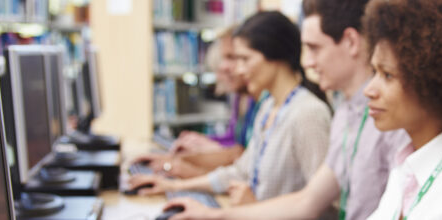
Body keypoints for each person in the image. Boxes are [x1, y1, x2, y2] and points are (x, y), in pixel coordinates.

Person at [160, 0, 409, 219]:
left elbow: (321, 209)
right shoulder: (346, 114)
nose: (308, 62)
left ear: (352, 42)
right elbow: (308, 201)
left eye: (314, 48)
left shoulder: (389, 119)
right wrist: (215, 214)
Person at [128, 12, 332, 208]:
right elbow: (240, 172)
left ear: (275, 56)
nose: (239, 70)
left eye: (246, 59)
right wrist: (173, 185)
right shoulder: (269, 106)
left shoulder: (307, 114)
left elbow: (323, 205)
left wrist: (254, 208)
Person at [361, 0, 442, 219]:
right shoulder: (405, 169)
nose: (369, 90)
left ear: (433, 80)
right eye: (373, 71)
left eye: (388, 75)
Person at [132, 26, 258, 179]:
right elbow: (233, 144)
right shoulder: (241, 98)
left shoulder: (259, 102)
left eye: (232, 57)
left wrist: (180, 162)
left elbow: (239, 154)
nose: (222, 67)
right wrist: (204, 142)